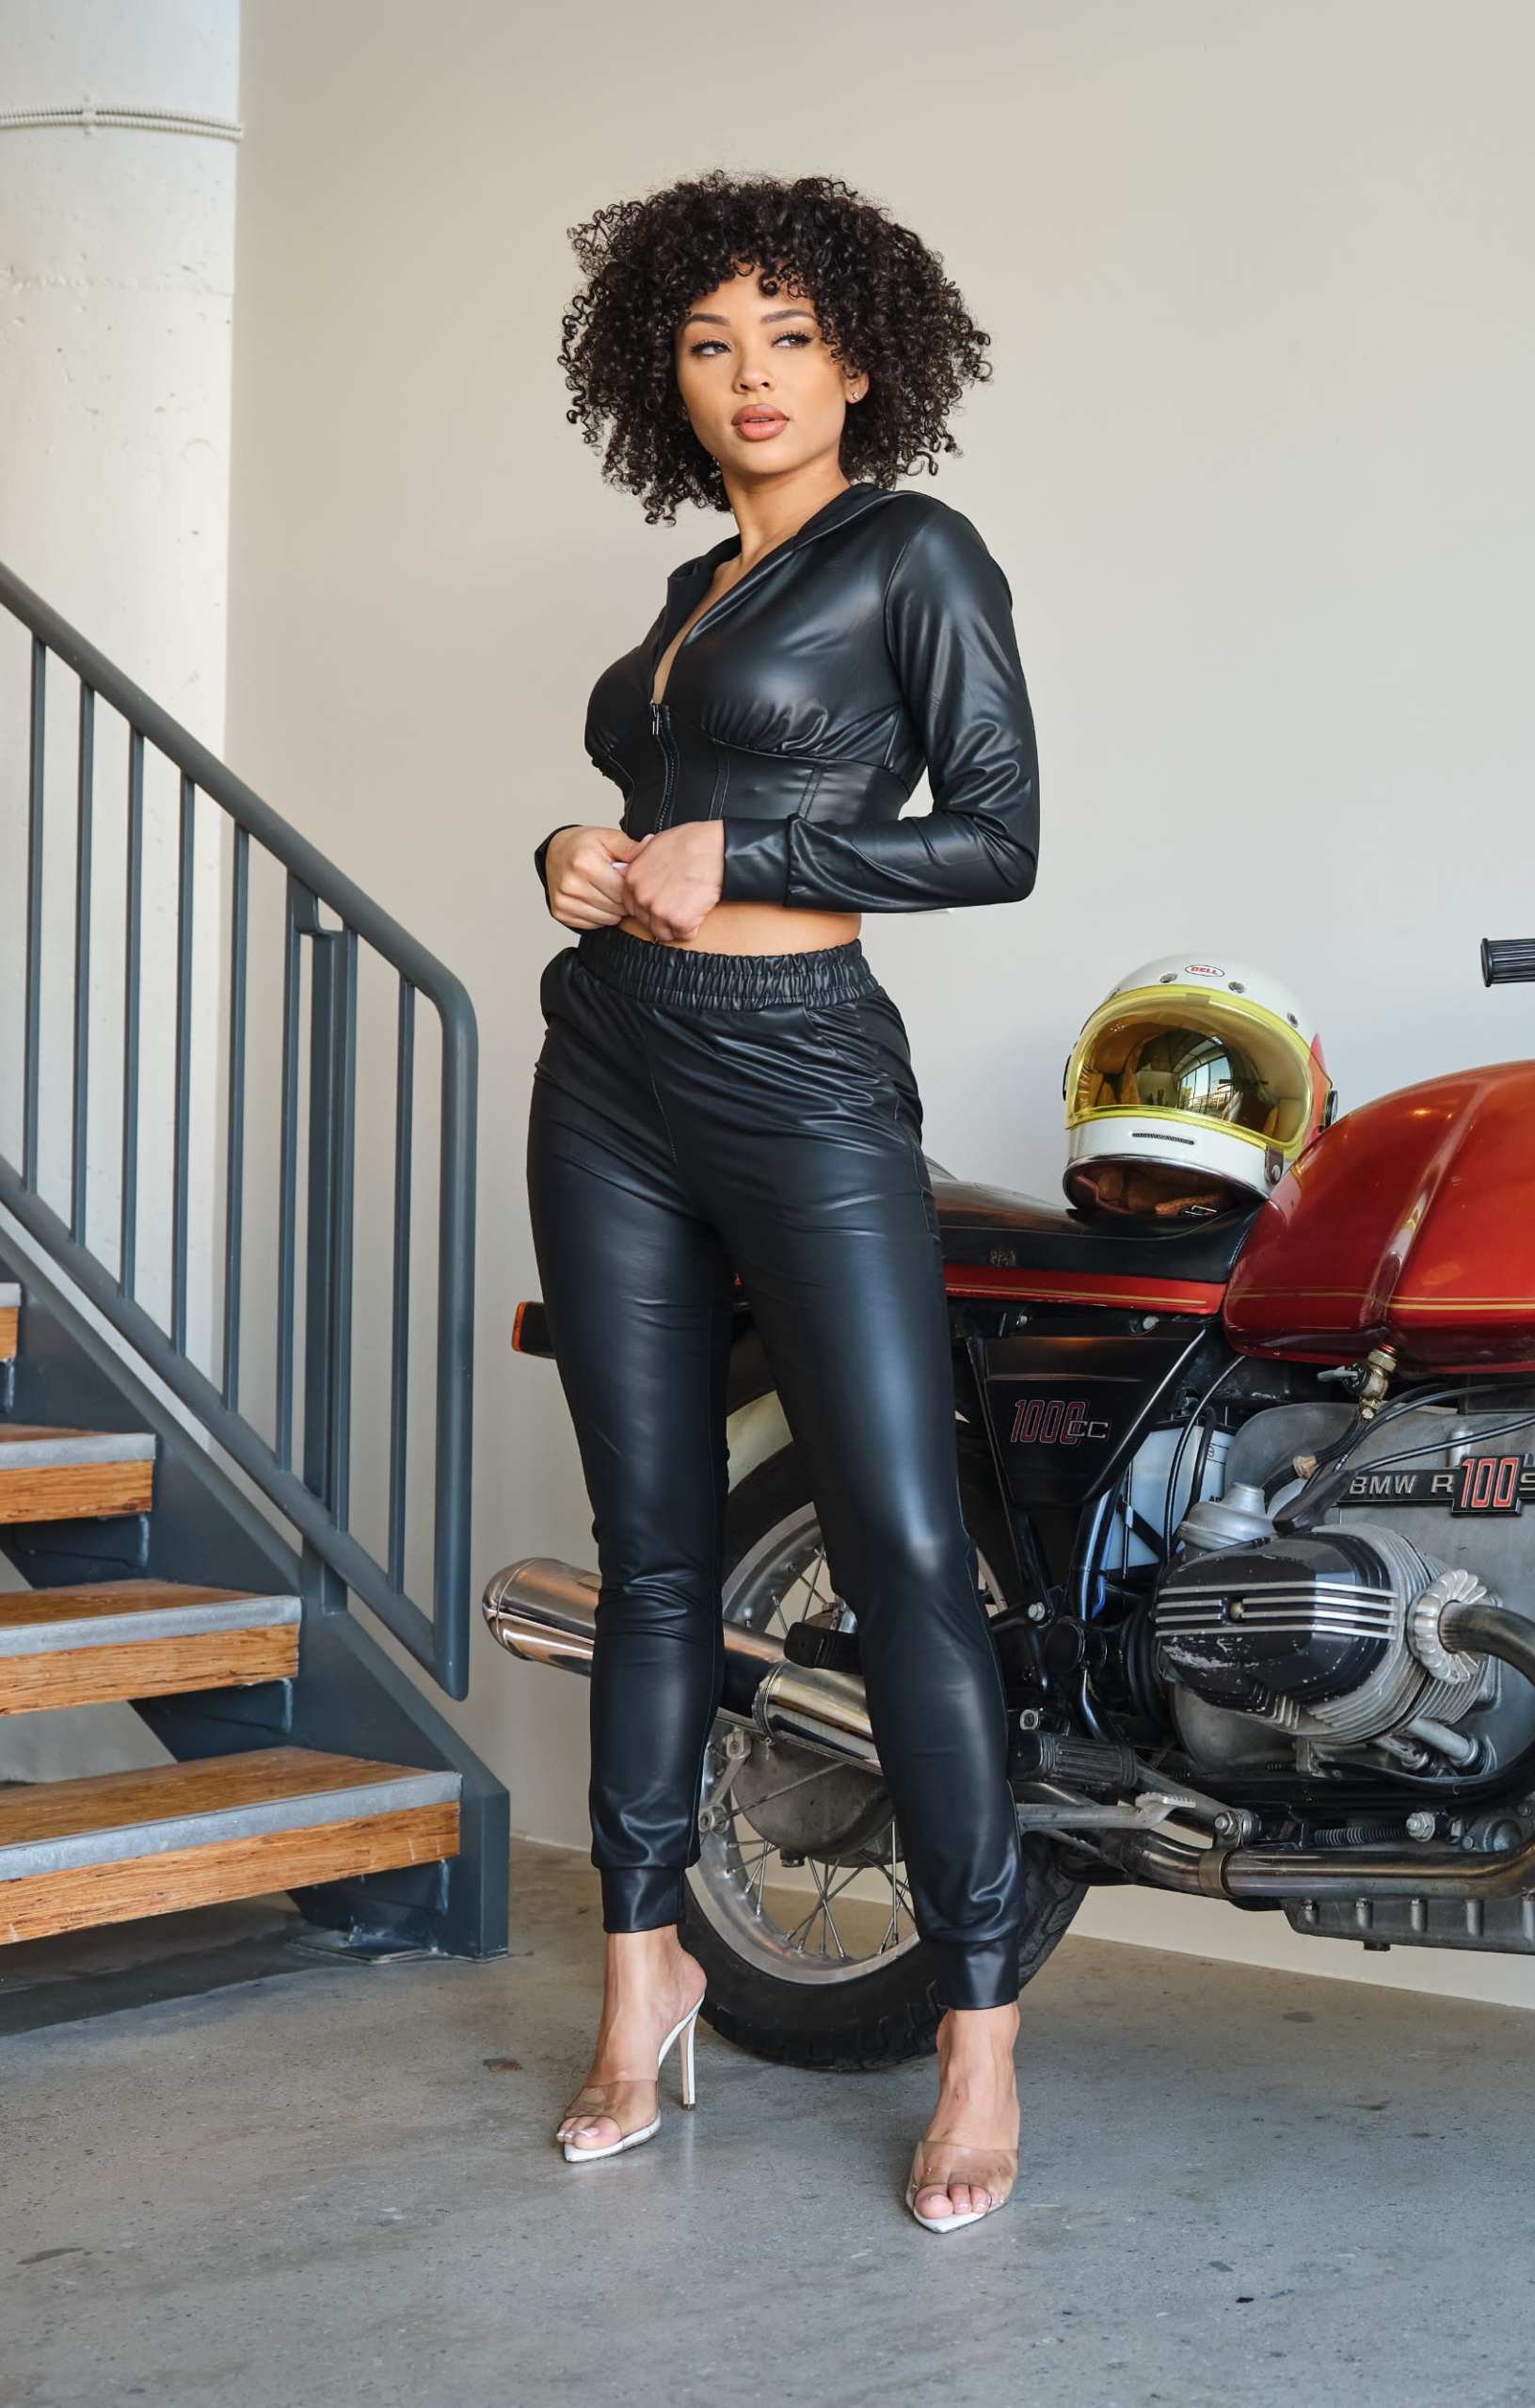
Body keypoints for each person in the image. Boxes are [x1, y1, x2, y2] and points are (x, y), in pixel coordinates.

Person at [522, 169, 1035, 2233]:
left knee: (905, 1546)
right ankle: (642, 1978)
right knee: (653, 1557)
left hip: (803, 1077)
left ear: (864, 362)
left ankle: (980, 2023)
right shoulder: (682, 597)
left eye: (790, 341)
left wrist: (756, 851)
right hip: (611, 1073)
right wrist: (582, 847)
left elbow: (996, 834)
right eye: (713, 342)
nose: (751, 379)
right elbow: (657, 821)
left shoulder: (914, 554)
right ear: (667, 365)